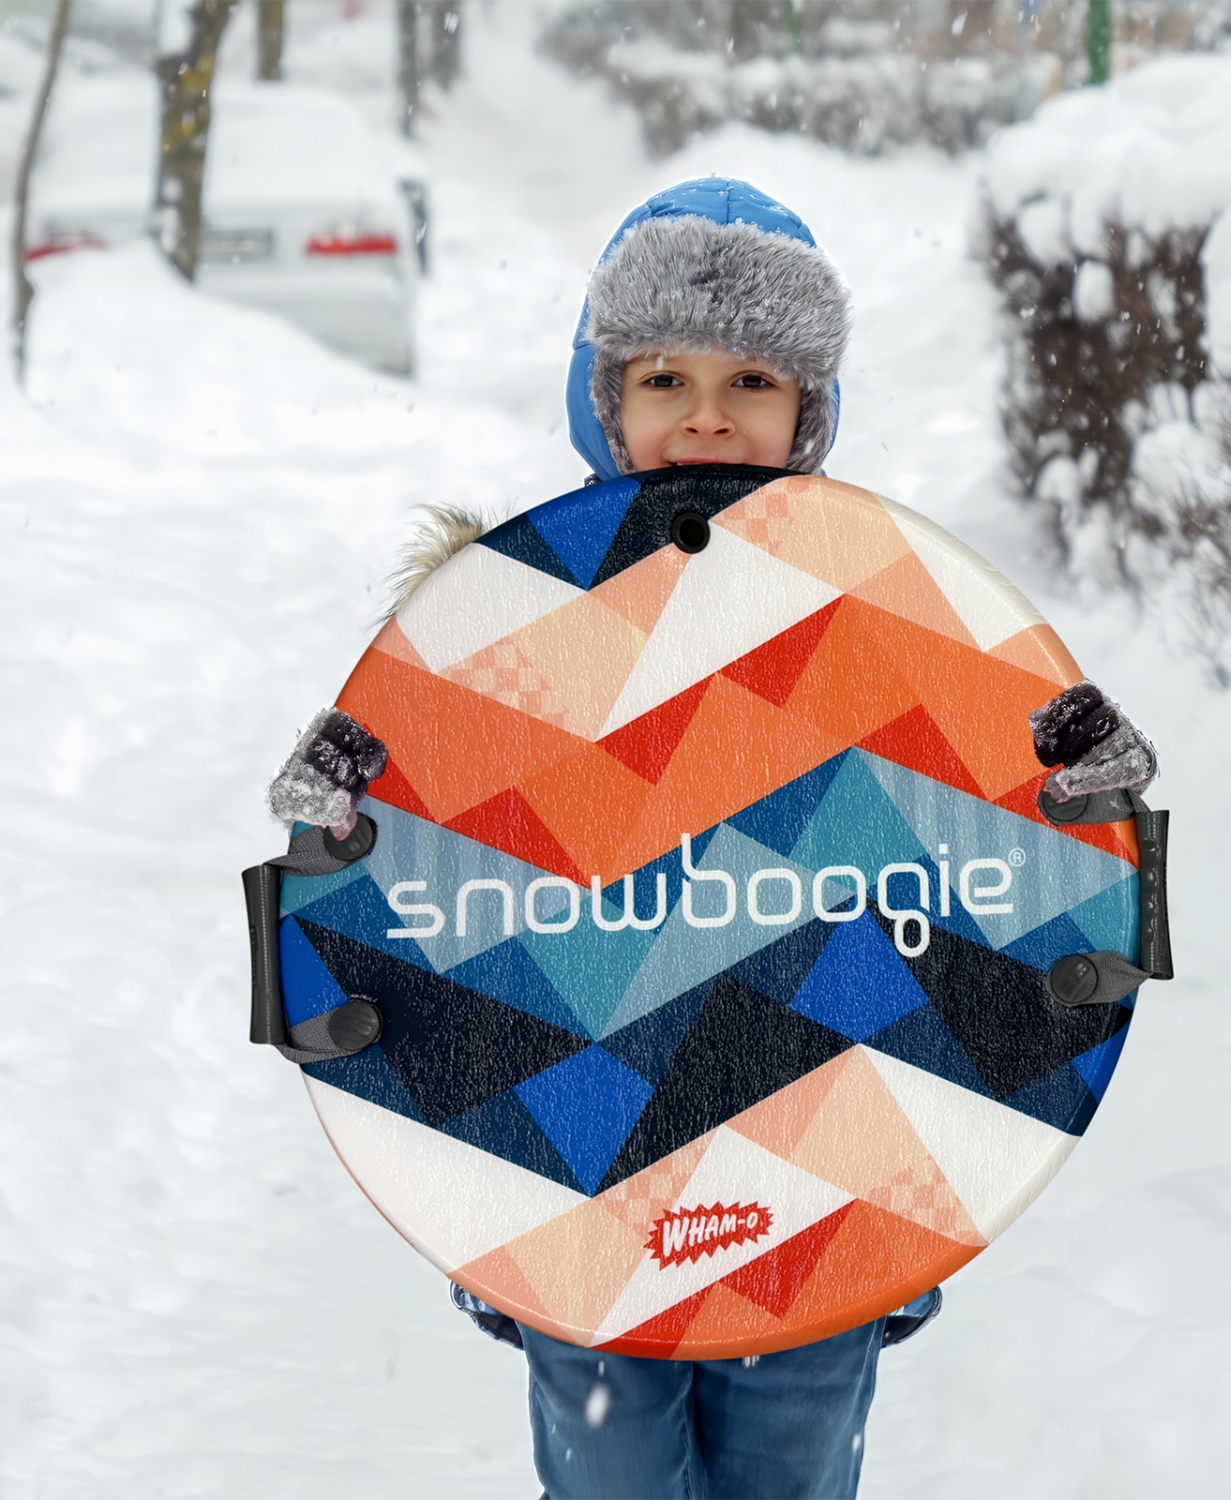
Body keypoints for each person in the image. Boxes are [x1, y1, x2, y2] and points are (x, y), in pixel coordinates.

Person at [266, 178, 1157, 1500]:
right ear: (602, 400)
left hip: (824, 1185)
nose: (704, 414)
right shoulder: (499, 631)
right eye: (662, 377)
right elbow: (419, 887)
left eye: (752, 379)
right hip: (574, 1176)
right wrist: (333, 821)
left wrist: (1089, 805)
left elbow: (1001, 884)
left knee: (789, 1477)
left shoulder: (896, 629)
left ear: (812, 413)